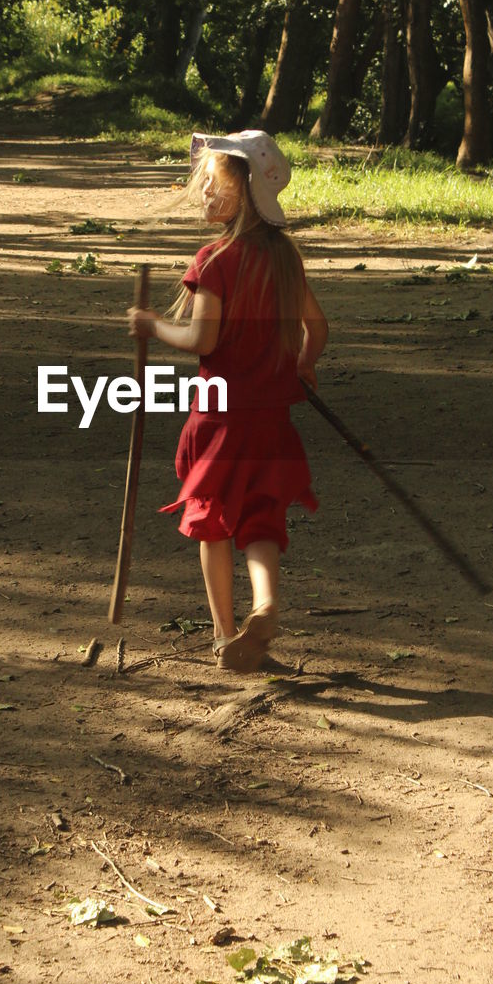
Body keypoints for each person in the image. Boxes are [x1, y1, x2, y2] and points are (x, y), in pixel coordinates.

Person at [127, 130, 328, 674]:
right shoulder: (286, 256)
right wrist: (304, 364)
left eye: (213, 184)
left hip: (219, 420)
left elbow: (202, 342)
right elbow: (318, 326)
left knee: (212, 522)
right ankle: (264, 607)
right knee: (262, 521)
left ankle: (222, 635)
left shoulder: (215, 260)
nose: (204, 195)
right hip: (272, 423)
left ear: (244, 189)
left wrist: (152, 324)